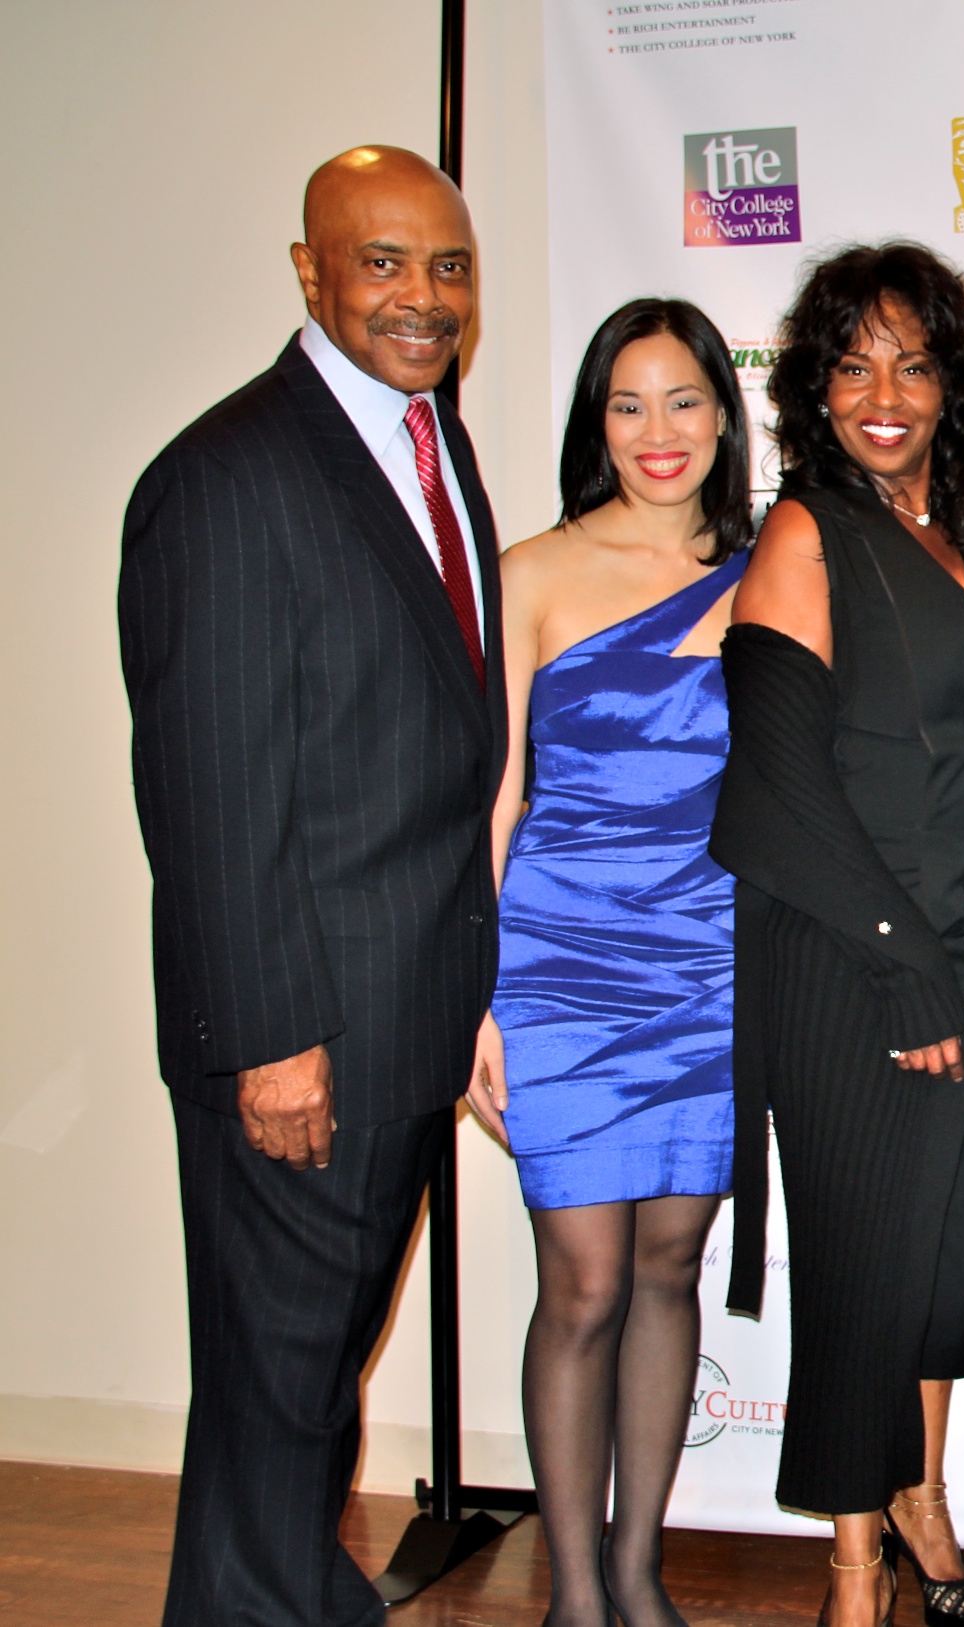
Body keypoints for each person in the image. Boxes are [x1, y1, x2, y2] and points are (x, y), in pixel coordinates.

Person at [118, 146, 505, 1627]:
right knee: (279, 1380)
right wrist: (273, 1043)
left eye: (450, 266)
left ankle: (274, 1597)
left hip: (399, 1017)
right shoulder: (225, 478)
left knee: (302, 1382)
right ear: (310, 272)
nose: (422, 296)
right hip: (303, 1045)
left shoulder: (428, 444)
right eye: (385, 261)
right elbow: (211, 798)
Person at [711, 242, 964, 1627]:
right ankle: (855, 1577)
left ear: (953, 384)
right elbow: (781, 786)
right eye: (853, 365)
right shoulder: (805, 534)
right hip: (853, 965)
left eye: (913, 362)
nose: (884, 392)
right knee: (863, 1276)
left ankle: (927, 1505)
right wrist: (905, 971)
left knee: (941, 1266)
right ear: (815, 390)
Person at [465, 298, 750, 1627]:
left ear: (722, 413)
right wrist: (477, 995)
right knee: (580, 1279)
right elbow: (498, 799)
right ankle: (575, 1591)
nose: (656, 432)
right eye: (627, 404)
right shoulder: (529, 571)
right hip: (561, 961)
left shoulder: (772, 569)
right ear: (596, 419)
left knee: (670, 1270)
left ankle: (639, 1568)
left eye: (682, 400)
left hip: (710, 961)